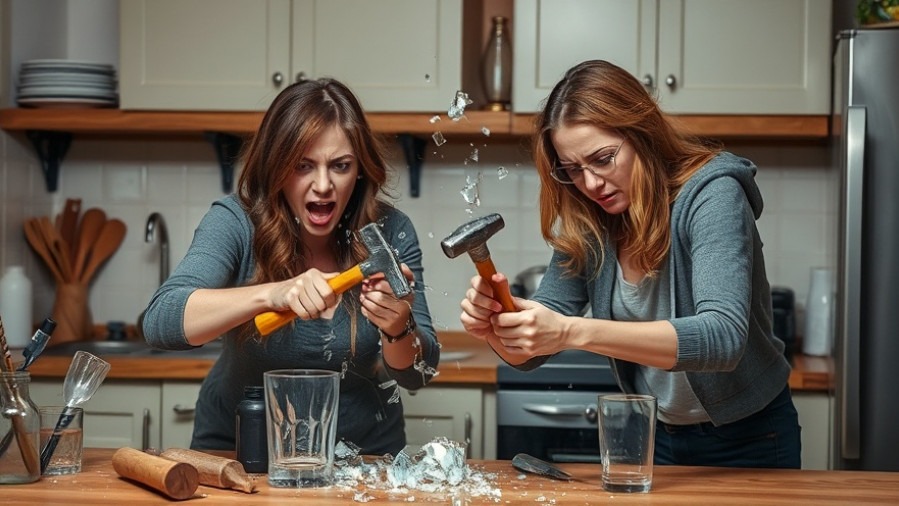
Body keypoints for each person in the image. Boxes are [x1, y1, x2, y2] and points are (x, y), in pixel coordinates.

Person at [460, 60, 800, 469]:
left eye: (603, 159)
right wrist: (499, 325)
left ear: (642, 134)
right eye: (572, 170)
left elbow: (722, 338)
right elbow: (533, 353)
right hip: (659, 436)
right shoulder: (588, 216)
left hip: (752, 436)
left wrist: (570, 331)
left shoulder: (713, 193)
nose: (590, 184)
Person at [140, 78, 439, 455]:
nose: (323, 185)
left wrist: (398, 327)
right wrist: (271, 293)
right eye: (303, 165)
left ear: (360, 168)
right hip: (242, 451)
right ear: (277, 166)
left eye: (341, 166)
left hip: (364, 457)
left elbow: (417, 374)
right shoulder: (236, 221)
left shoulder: (391, 230)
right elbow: (160, 322)